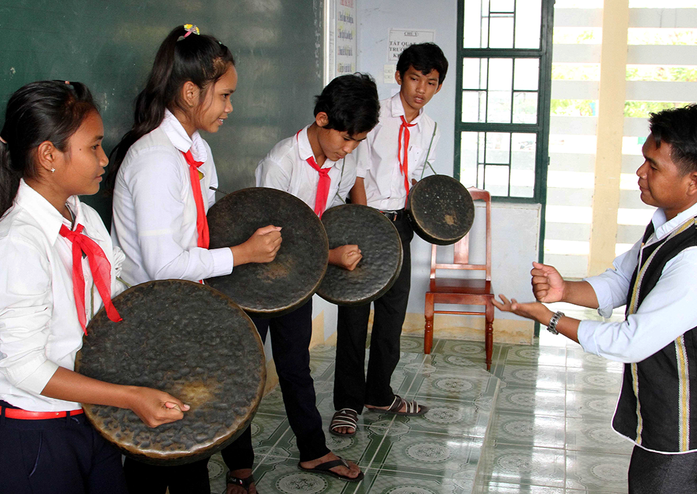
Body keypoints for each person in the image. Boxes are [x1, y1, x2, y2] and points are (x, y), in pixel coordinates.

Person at [492, 104, 697, 494]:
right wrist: (565, 288)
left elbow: (632, 340)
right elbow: (622, 279)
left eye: (653, 165)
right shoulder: (670, 223)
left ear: (693, 182)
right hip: (670, 412)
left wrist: (550, 318)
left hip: (696, 429)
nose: (640, 172)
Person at [0, 80, 189, 494]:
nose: (105, 159)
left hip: (91, 417)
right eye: (93, 147)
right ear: (49, 155)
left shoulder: (84, 219)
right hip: (37, 438)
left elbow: (111, 298)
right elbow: (25, 368)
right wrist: (128, 396)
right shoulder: (17, 246)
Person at [108, 25, 281, 494]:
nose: (231, 107)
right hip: (153, 324)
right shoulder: (157, 160)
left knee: (189, 444)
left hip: (183, 314)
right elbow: (165, 265)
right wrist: (243, 254)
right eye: (224, 95)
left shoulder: (194, 150)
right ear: (189, 92)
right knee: (160, 450)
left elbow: (199, 231)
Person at [251, 72, 380, 481]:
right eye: (346, 138)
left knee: (295, 367)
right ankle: (239, 467)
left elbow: (324, 218)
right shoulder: (281, 164)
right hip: (255, 282)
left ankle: (313, 450)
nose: (349, 149)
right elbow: (270, 242)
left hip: (297, 280)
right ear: (322, 119)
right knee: (245, 373)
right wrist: (329, 256)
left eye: (358, 142)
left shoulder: (337, 162)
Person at [331, 43, 449, 435]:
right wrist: (367, 227)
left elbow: (413, 177)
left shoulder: (429, 128)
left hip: (402, 227)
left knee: (391, 316)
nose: (421, 89)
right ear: (399, 76)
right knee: (353, 316)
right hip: (368, 223)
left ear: (438, 86)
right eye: (414, 78)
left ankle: (379, 393)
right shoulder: (376, 117)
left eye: (430, 82)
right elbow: (358, 175)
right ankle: (347, 404)